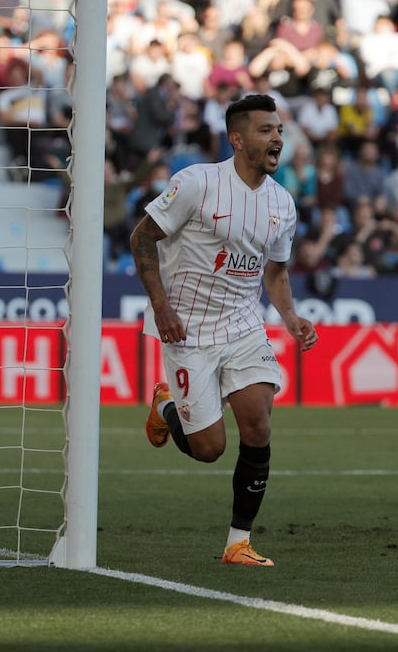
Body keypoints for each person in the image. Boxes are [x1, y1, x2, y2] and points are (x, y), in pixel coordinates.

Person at [131, 93, 318, 568]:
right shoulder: (196, 183)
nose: (277, 137)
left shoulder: (282, 204)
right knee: (209, 448)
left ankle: (238, 542)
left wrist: (291, 317)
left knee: (257, 423)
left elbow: (274, 272)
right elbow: (142, 238)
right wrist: (162, 308)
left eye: (279, 129)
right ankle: (165, 404)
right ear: (236, 139)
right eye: (265, 130)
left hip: (242, 325)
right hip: (186, 330)